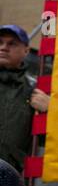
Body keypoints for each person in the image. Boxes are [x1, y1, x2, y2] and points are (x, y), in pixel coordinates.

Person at [0, 24, 49, 173]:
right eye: (0, 42)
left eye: (12, 43)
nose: (4, 47)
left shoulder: (34, 91)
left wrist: (49, 112)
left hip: (10, 177)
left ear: (26, 51)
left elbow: (45, 141)